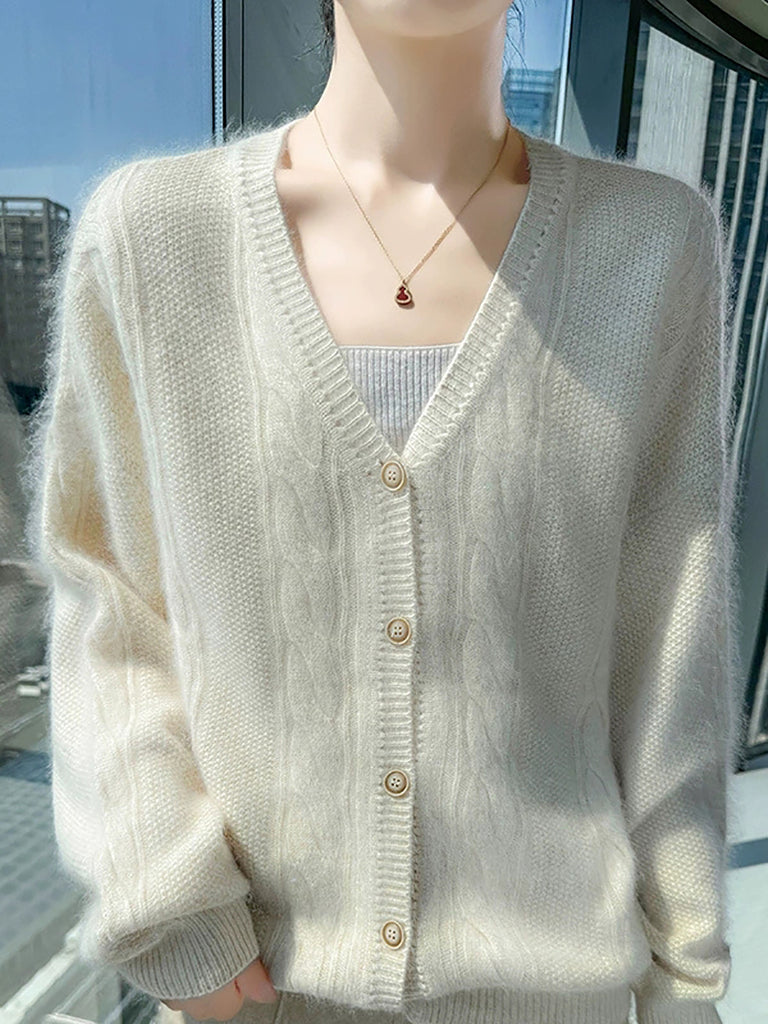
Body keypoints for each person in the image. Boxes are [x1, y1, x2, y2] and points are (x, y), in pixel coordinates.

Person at [25, 0, 744, 1023]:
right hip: (257, 994)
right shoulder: (152, 240)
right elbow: (108, 602)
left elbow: (670, 642)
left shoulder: (652, 245)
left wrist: (684, 974)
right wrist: (170, 903)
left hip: (560, 995)